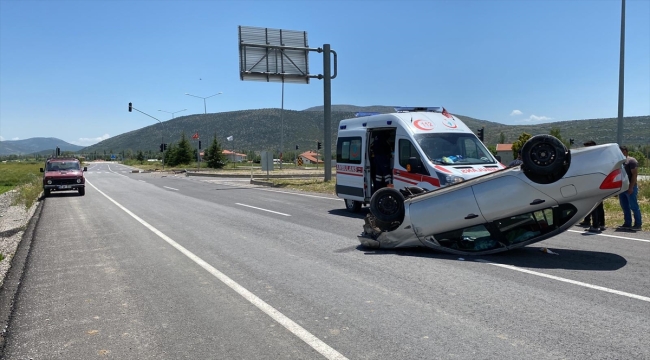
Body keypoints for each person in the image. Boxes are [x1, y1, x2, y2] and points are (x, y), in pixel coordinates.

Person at [580, 140, 606, 232]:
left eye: (588, 146)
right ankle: (601, 224)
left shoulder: (592, 158)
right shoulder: (599, 156)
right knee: (599, 205)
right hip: (599, 183)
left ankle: (595, 225)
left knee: (594, 205)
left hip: (594, 184)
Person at [618, 146, 642, 230]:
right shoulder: (621, 162)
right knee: (625, 206)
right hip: (622, 188)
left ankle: (638, 224)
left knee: (634, 206)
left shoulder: (631, 161)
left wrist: (631, 187)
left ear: (624, 151)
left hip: (630, 187)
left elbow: (634, 175)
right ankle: (627, 223)